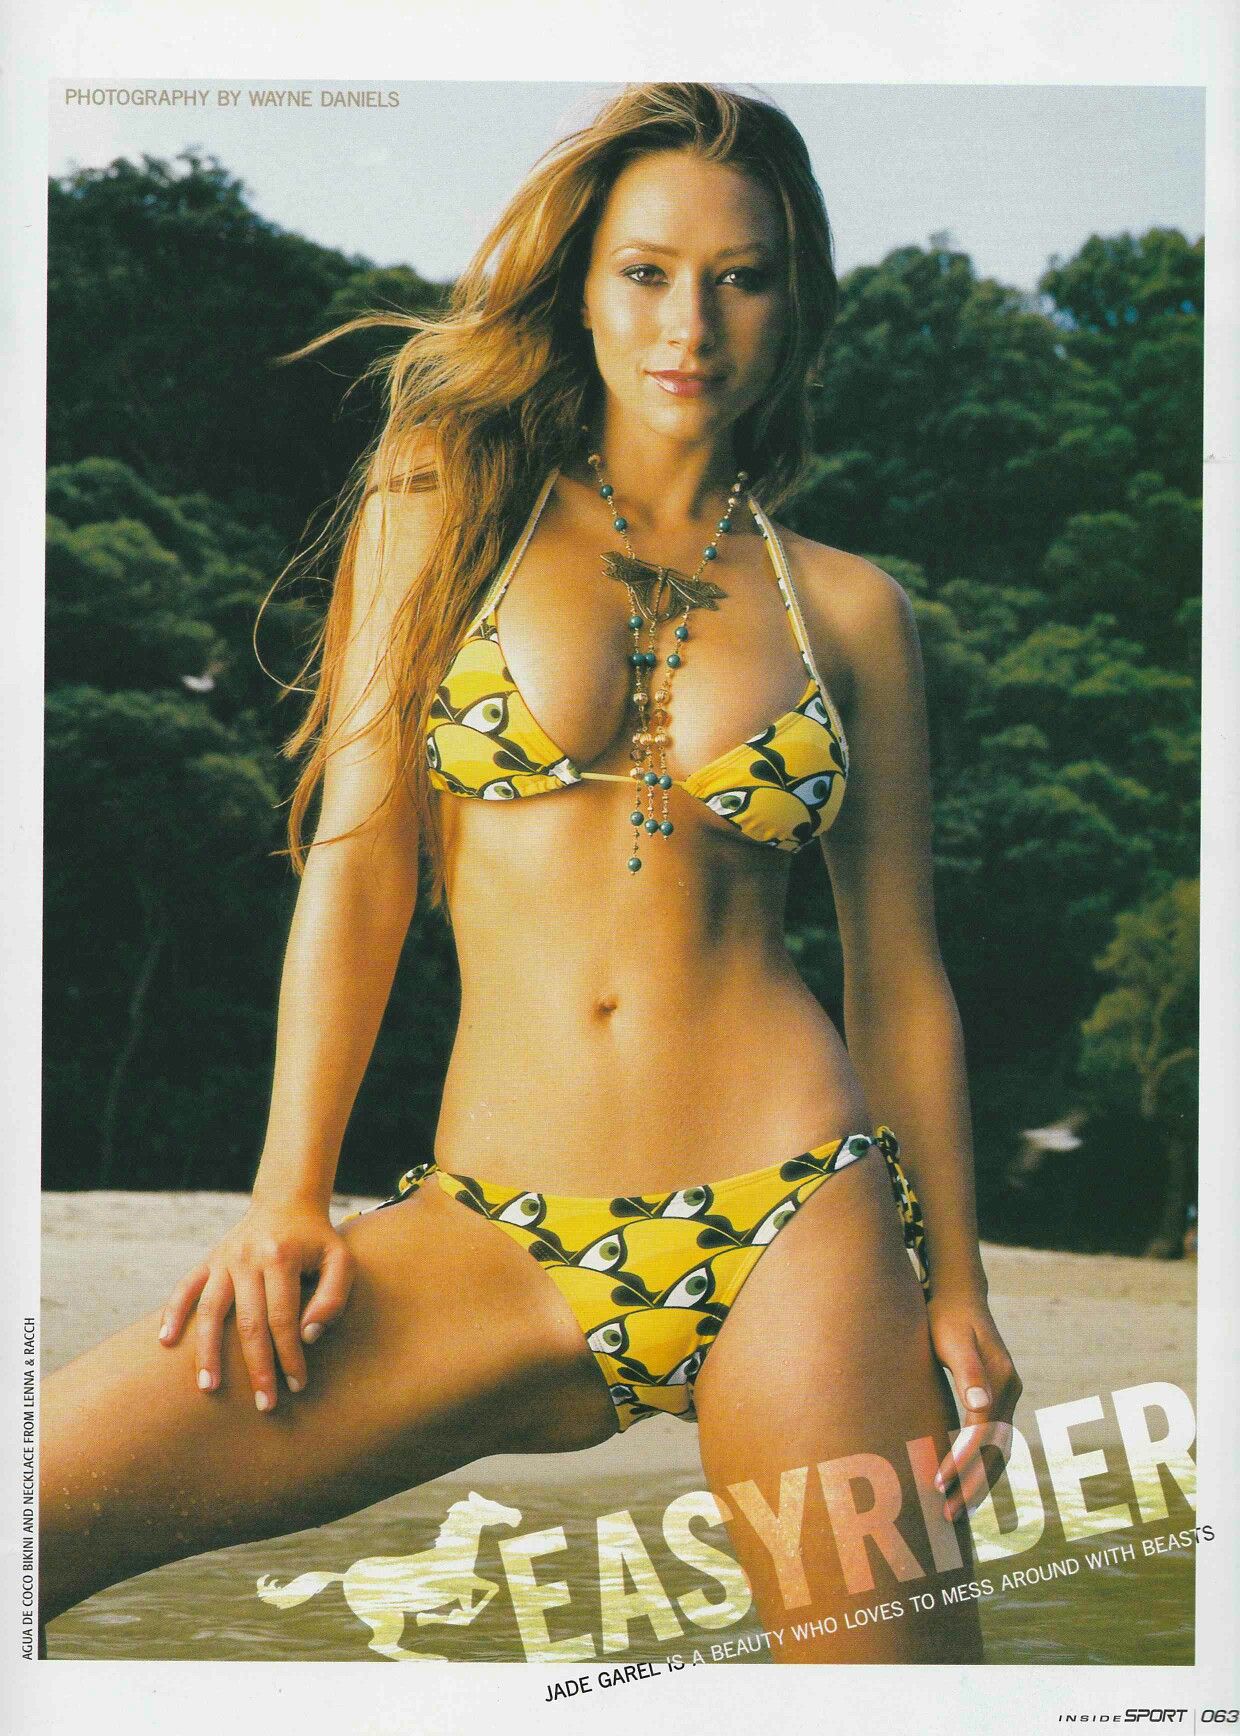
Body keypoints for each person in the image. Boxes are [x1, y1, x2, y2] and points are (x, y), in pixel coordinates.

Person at [39, 81, 1021, 1664]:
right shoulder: (446, 504)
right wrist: (288, 1194)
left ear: (795, 301)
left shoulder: (851, 612)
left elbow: (899, 973)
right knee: (37, 1504)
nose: (689, 321)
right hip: (496, 1227)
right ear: (583, 285)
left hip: (801, 1217)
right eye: (647, 271)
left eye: (741, 277)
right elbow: (359, 867)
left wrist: (956, 1282)